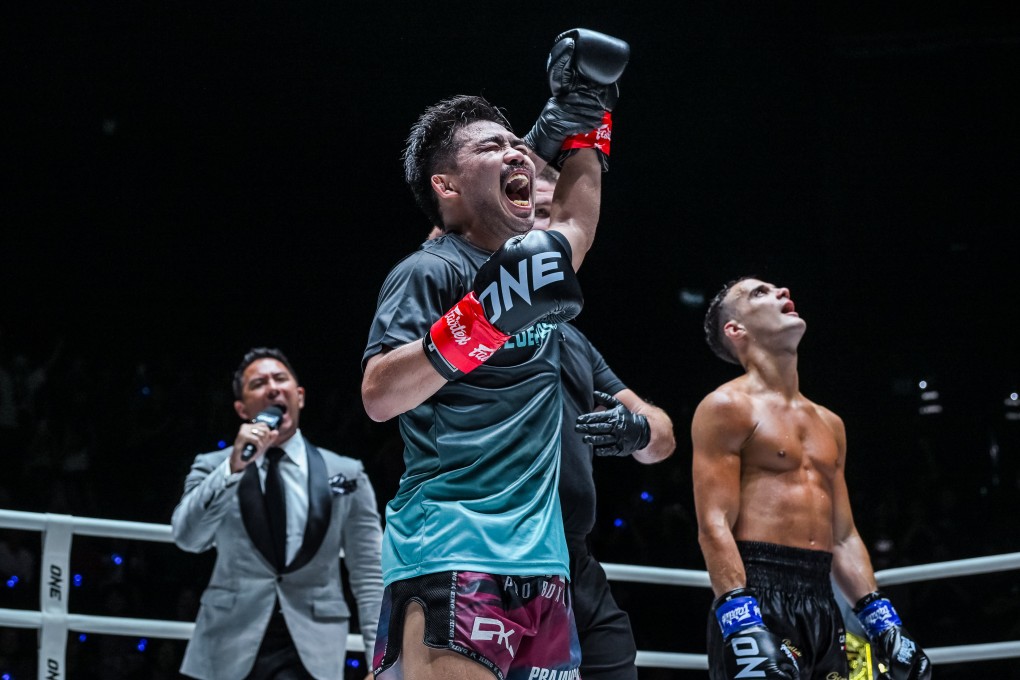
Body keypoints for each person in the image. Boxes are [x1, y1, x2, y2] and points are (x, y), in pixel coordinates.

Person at [361, 28, 630, 680]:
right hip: (451, 547)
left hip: (543, 565)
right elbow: (379, 394)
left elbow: (578, 218)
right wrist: (483, 322)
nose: (516, 155)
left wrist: (592, 119)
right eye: (493, 146)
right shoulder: (431, 270)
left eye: (518, 144)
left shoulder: (536, 264)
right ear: (446, 186)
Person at [692, 277, 932, 680]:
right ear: (736, 330)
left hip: (823, 599)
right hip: (756, 591)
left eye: (777, 289)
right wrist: (741, 622)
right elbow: (713, 523)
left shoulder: (830, 424)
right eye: (759, 293)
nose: (782, 292)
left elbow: (843, 536)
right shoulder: (726, 406)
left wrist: (883, 622)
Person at [535, 165, 677, 680]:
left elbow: (661, 439)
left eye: (556, 216)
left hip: (575, 556)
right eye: (537, 215)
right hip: (498, 551)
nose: (551, 232)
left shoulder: (573, 340)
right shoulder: (471, 313)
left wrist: (637, 430)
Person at [171, 347, 384, 680]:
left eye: (280, 379)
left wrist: (380, 661)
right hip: (227, 644)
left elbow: (369, 572)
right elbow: (187, 537)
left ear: (299, 396)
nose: (272, 388)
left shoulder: (348, 472)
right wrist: (233, 466)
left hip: (312, 649)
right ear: (242, 409)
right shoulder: (214, 466)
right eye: (258, 383)